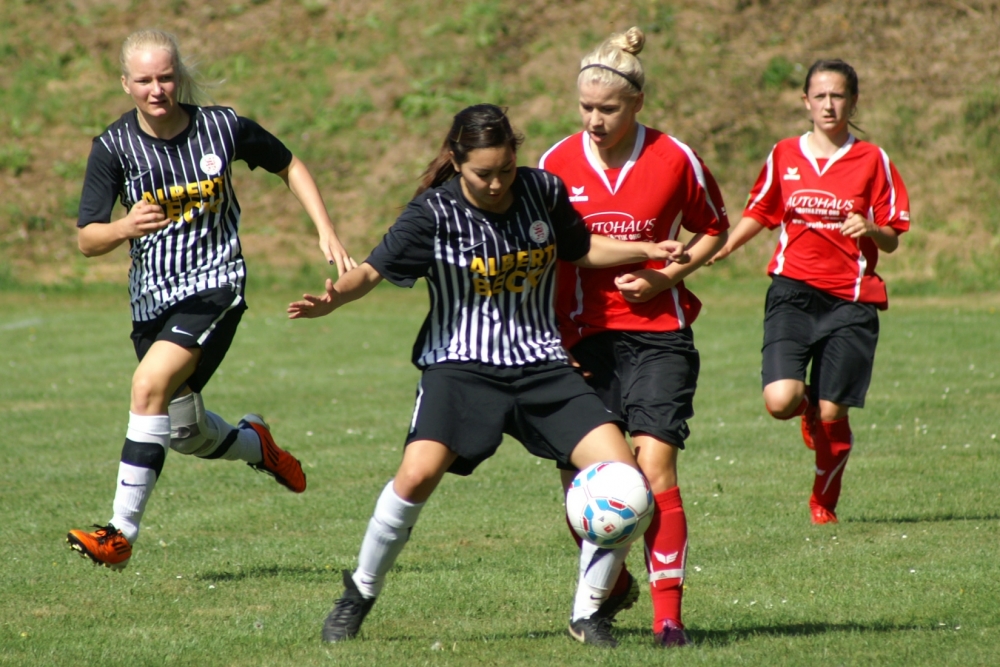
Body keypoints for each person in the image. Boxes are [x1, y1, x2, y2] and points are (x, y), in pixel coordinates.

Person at [288, 104, 690, 648]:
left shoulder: (543, 190)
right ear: (456, 162)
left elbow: (581, 248)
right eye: (483, 173)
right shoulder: (433, 213)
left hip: (542, 364)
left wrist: (645, 249)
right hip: (460, 367)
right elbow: (372, 270)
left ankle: (589, 613)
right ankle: (358, 592)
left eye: (505, 169)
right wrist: (333, 299)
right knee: (416, 476)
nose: (498, 183)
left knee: (626, 481)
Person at [66, 29, 356, 571]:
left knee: (147, 386)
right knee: (185, 432)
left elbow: (289, 164)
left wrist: (326, 230)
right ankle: (259, 445)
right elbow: (87, 239)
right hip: (151, 299)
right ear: (126, 84)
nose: (157, 89)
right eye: (145, 80)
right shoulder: (113, 147)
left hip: (213, 286)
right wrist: (124, 226)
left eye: (166, 77)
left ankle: (119, 535)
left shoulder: (221, 127)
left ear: (180, 76)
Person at [538, 27, 729, 648]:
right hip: (579, 339)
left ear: (637, 103)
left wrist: (665, 276)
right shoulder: (555, 165)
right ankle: (613, 583)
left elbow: (714, 228)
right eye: (586, 108)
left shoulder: (674, 158)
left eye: (609, 109)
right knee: (587, 487)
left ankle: (668, 619)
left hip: (658, 336)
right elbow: (544, 253)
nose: (595, 121)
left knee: (654, 468)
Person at [709, 58, 910, 525]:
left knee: (834, 410)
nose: (828, 104)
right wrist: (726, 247)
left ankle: (824, 500)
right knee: (780, 400)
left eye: (838, 95)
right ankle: (806, 410)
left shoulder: (873, 160)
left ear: (853, 102)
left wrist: (871, 228)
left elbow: (893, 238)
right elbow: (761, 211)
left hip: (851, 299)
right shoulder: (784, 154)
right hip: (792, 293)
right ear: (805, 101)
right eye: (819, 96)